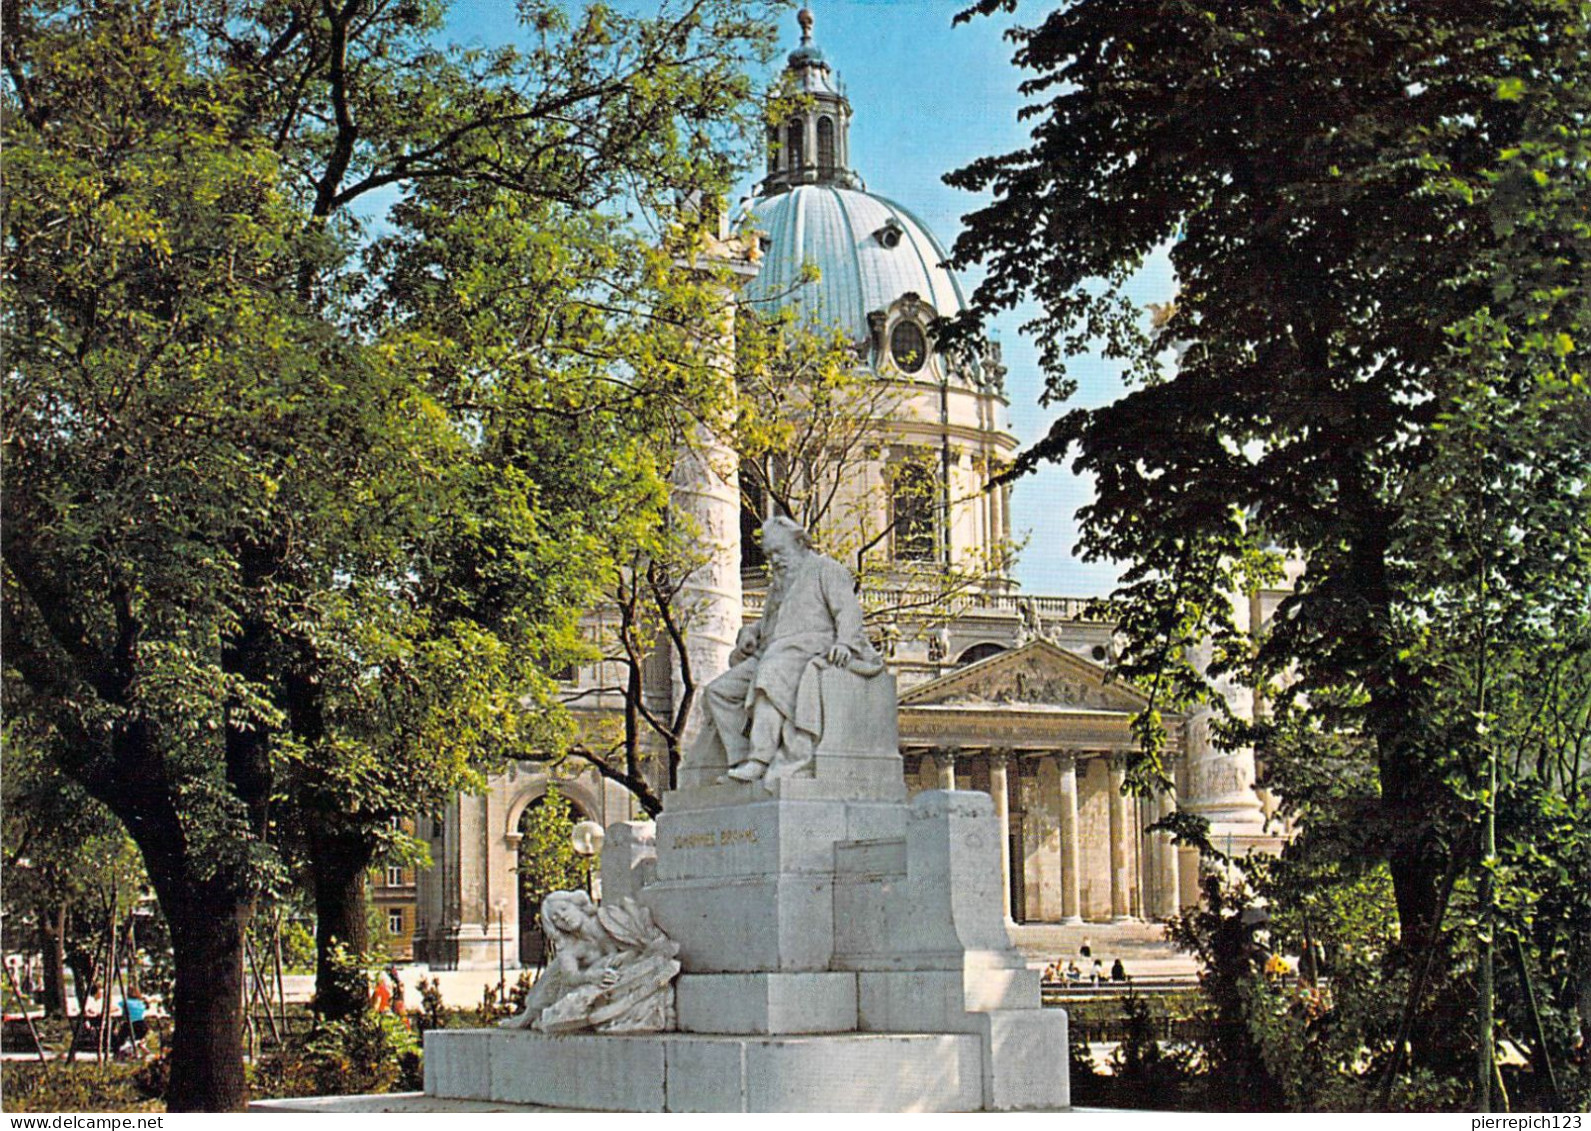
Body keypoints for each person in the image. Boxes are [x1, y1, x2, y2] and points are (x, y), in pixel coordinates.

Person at [688, 517, 879, 784]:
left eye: (779, 552)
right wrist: (751, 632)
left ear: (800, 543)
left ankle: (760, 759)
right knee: (717, 692)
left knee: (771, 673)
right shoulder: (779, 583)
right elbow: (772, 621)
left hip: (812, 646)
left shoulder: (826, 569)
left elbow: (847, 610)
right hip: (773, 650)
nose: (774, 560)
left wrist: (845, 643)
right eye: (769, 555)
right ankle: (741, 756)